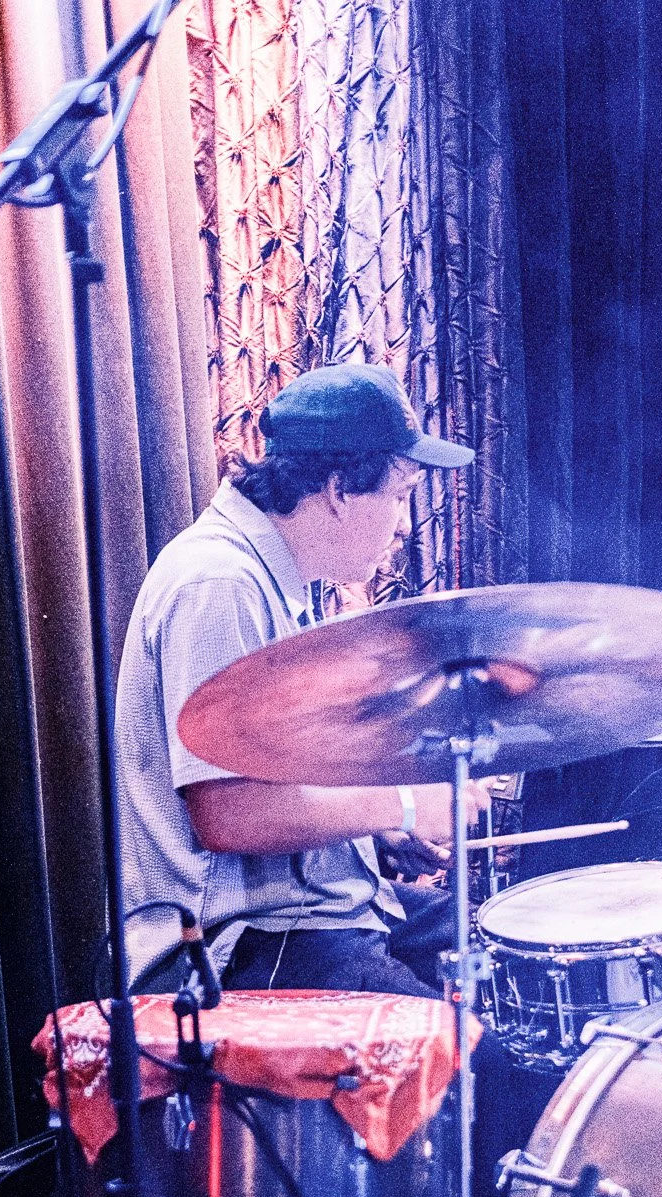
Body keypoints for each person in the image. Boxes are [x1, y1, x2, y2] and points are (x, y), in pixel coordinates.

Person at [114, 362, 480, 997]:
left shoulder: (277, 581)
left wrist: (376, 833)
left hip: (296, 915)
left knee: (490, 934)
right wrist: (407, 803)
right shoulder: (218, 584)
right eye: (399, 496)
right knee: (474, 1045)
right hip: (234, 946)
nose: (403, 525)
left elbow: (277, 780)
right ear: (338, 489)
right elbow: (228, 816)